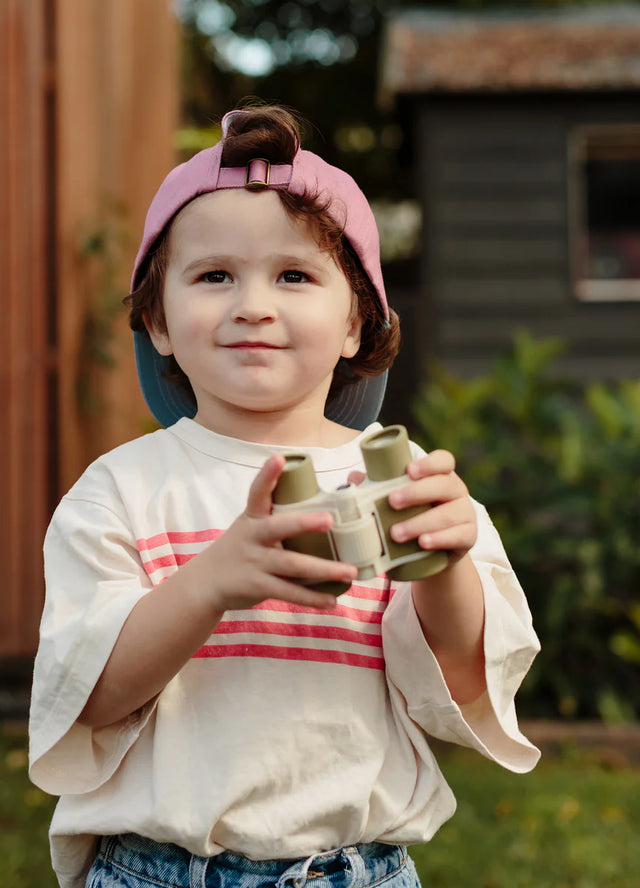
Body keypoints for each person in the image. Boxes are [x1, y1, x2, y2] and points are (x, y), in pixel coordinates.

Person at [29, 104, 540, 888]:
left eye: (294, 275)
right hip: (158, 871)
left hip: (357, 870)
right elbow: (87, 696)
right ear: (157, 322)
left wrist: (443, 568)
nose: (253, 305)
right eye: (214, 276)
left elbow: (464, 685)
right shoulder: (121, 492)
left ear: (355, 324)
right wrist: (210, 582)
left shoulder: (402, 486)